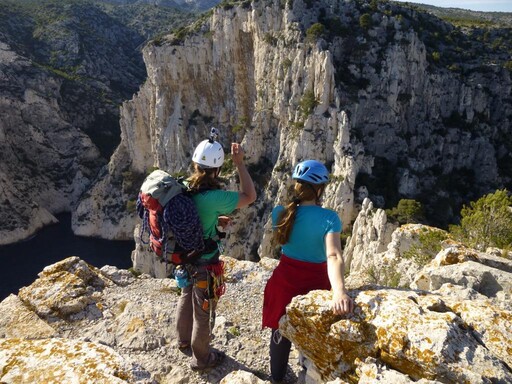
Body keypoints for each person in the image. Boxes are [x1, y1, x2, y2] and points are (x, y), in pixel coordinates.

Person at [262, 160, 354, 383]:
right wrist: (339, 291)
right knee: (312, 336)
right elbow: (333, 256)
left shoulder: (279, 213)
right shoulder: (329, 218)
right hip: (315, 284)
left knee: (279, 332)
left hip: (283, 282)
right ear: (320, 189)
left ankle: (277, 378)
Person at [175, 128, 256, 371]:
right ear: (217, 170)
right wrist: (240, 163)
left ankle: (182, 341)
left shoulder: (183, 186)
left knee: (185, 296)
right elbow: (249, 195)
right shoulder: (214, 197)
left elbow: (197, 218)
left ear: (195, 164)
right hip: (205, 262)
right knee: (203, 310)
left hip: (184, 255)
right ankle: (201, 359)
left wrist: (214, 222)